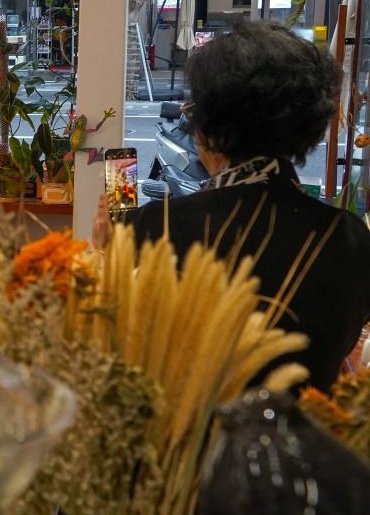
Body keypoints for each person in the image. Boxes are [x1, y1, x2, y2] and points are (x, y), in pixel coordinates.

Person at [94, 22, 370, 392]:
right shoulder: (353, 238)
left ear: (211, 127)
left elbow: (120, 349)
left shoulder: (159, 227)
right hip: (312, 427)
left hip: (191, 428)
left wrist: (108, 251)